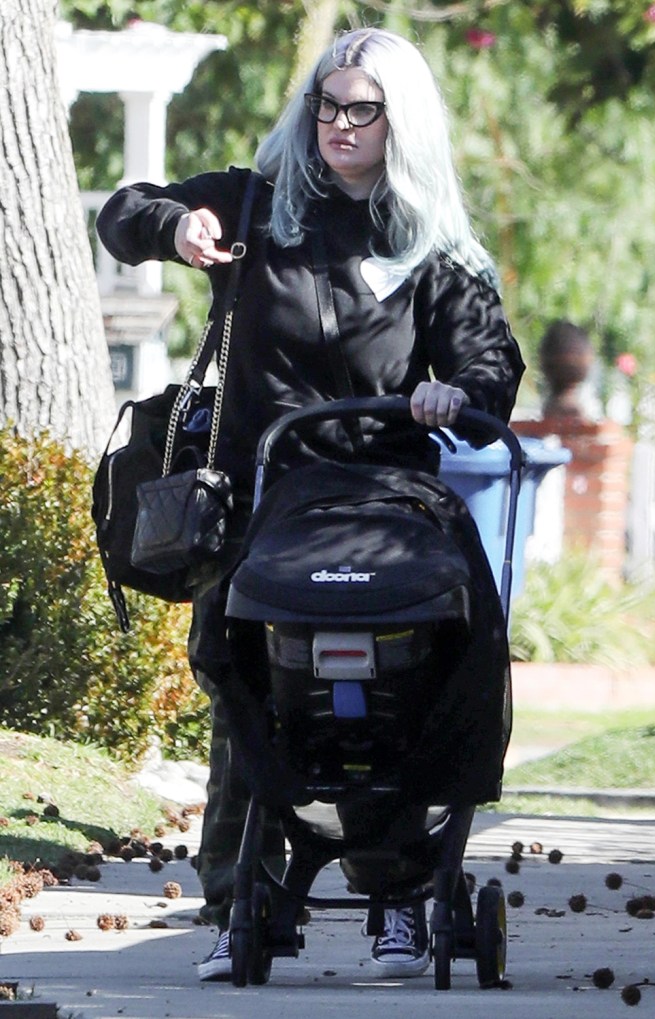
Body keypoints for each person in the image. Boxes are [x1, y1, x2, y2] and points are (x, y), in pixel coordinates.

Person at [97, 26, 525, 982]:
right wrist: (172, 228)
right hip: (268, 492)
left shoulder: (434, 245)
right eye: (327, 105)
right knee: (243, 674)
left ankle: (402, 896)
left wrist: (454, 393)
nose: (339, 124)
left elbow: (491, 362)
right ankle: (238, 901)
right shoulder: (255, 204)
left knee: (432, 661)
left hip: (390, 496)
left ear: (398, 121)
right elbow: (127, 209)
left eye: (362, 109)